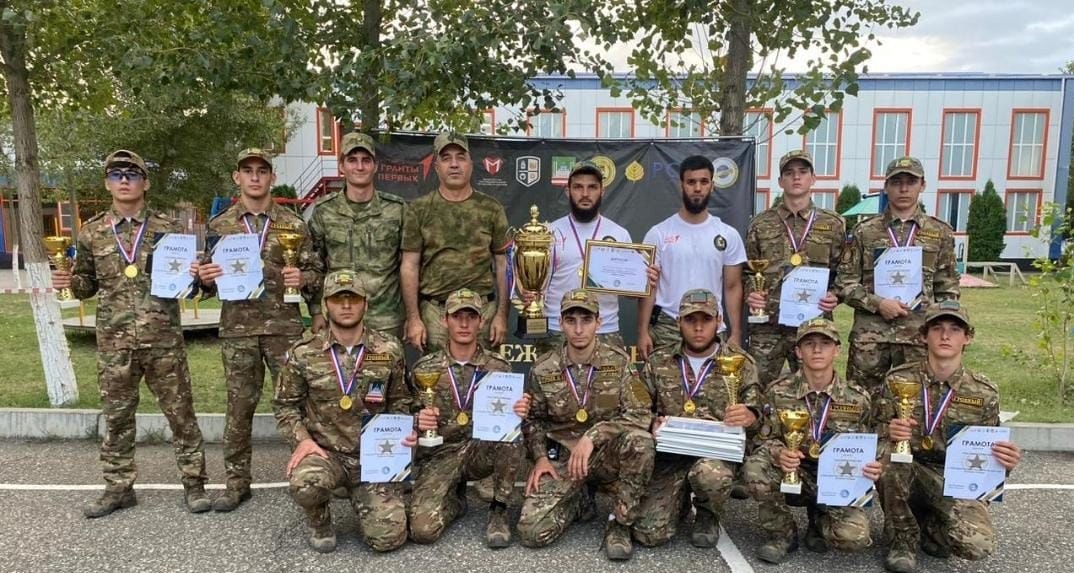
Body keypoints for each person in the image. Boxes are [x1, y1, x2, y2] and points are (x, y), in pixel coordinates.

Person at [53, 149, 209, 517]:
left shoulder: (169, 229)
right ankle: (118, 488)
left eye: (132, 174)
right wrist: (67, 280)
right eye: (116, 174)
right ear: (107, 183)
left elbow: (192, 288)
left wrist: (198, 276)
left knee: (181, 416)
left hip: (163, 340)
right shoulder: (92, 231)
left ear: (145, 182)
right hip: (115, 342)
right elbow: (86, 286)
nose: (124, 180)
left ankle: (195, 484)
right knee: (117, 419)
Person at [193, 148, 322, 512]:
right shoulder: (220, 225)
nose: (254, 177)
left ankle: (312, 475)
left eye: (261, 171)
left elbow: (316, 272)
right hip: (238, 330)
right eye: (247, 171)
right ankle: (236, 483)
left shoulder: (293, 224)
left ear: (271, 177)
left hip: (284, 329)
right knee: (239, 409)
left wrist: (304, 278)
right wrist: (204, 279)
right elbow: (205, 281)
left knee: (298, 405)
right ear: (237, 177)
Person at [273, 270, 416, 553]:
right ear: (326, 304)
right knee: (307, 484)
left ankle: (365, 496)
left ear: (366, 304)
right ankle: (320, 520)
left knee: (388, 539)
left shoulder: (388, 349)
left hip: (374, 456)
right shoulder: (304, 352)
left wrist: (404, 430)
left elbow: (400, 399)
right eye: (338, 299)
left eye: (354, 299)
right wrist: (302, 440)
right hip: (327, 454)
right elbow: (285, 405)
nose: (347, 306)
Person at [876, 301, 1021, 573]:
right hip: (909, 470)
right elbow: (873, 432)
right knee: (886, 456)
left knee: (977, 545)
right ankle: (902, 540)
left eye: (955, 329)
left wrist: (1006, 463)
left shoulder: (983, 392)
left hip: (955, 478)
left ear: (968, 338)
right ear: (923, 336)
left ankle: (931, 527)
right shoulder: (898, 380)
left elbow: (989, 456)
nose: (945, 336)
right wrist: (889, 432)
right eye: (937, 328)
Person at [518, 289, 654, 561]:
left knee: (641, 443)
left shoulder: (619, 362)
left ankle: (619, 524)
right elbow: (534, 421)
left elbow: (641, 413)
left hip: (607, 456)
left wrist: (593, 436)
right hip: (566, 460)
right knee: (531, 532)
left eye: (586, 320)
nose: (579, 329)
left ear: (598, 323)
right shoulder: (544, 368)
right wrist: (541, 458)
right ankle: (580, 499)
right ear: (561, 323)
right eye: (571, 321)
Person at [742, 317, 879, 564]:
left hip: (837, 478)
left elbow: (870, 444)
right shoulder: (778, 391)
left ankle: (819, 521)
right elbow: (762, 440)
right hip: (794, 473)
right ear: (798, 351)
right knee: (755, 468)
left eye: (825, 343)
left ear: (837, 350)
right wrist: (779, 453)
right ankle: (783, 534)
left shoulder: (858, 399)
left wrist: (874, 464)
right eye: (809, 343)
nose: (817, 350)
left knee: (853, 538)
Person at [633, 289, 761, 549]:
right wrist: (650, 422)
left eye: (706, 320)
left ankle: (708, 512)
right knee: (649, 534)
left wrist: (750, 415)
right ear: (679, 322)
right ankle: (677, 500)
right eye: (691, 320)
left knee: (710, 476)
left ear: (719, 321)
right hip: (670, 457)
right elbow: (638, 406)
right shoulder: (658, 361)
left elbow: (760, 414)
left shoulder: (740, 363)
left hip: (715, 458)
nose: (699, 328)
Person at [409, 288, 532, 548]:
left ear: (481, 321)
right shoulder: (425, 369)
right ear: (445, 320)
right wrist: (417, 421)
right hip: (442, 453)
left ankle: (499, 510)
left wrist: (520, 411)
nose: (464, 324)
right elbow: (406, 414)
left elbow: (511, 420)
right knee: (422, 531)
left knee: (511, 439)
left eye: (471, 317)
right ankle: (455, 501)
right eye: (457, 317)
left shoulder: (498, 367)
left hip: (480, 450)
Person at [836, 156, 960, 391]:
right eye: (896, 182)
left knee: (915, 402)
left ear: (922, 185)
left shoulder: (940, 232)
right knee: (864, 401)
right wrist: (878, 304)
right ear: (886, 187)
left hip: (918, 337)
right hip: (871, 339)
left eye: (910, 182)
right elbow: (845, 283)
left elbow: (948, 288)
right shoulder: (865, 232)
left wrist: (940, 330)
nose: (903, 189)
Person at [401, 132, 510, 353]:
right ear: (436, 166)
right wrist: (413, 318)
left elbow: (503, 265)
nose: (454, 164)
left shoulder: (491, 208)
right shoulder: (419, 209)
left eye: (461, 157)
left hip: (482, 314)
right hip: (436, 315)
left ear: (470, 164)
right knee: (437, 375)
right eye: (446, 158)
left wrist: (502, 315)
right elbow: (409, 265)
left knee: (485, 374)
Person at [745, 150, 845, 386]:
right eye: (789, 173)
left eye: (802, 172)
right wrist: (752, 292)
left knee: (814, 387)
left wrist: (836, 295)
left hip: (813, 326)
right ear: (780, 181)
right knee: (758, 387)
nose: (796, 177)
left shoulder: (832, 223)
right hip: (768, 325)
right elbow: (747, 270)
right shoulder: (761, 223)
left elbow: (844, 271)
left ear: (813, 178)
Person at [639, 155, 746, 357]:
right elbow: (648, 286)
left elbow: (732, 287)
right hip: (667, 328)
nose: (697, 188)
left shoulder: (728, 235)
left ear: (712, 186)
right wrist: (643, 331)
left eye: (704, 182)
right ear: (681, 186)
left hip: (711, 327)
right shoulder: (658, 233)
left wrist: (736, 333)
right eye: (691, 182)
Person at [522, 161, 633, 357]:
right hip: (557, 329)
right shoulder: (548, 233)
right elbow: (535, 284)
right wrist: (530, 293)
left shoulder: (619, 234)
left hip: (605, 328)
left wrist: (641, 283)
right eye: (578, 187)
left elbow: (630, 292)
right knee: (551, 378)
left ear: (602, 191)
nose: (585, 194)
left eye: (592, 187)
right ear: (568, 191)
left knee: (610, 379)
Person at [308, 132, 407, 339]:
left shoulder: (397, 210)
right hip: (339, 318)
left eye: (366, 160)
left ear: (375, 166)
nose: (360, 167)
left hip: (385, 320)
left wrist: (413, 316)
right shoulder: (324, 211)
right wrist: (316, 311)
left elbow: (409, 266)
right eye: (352, 160)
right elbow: (315, 265)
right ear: (341, 166)